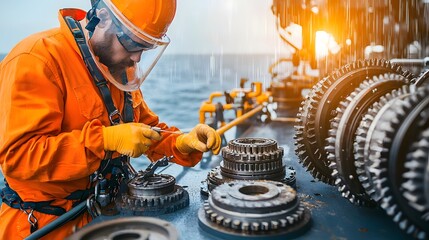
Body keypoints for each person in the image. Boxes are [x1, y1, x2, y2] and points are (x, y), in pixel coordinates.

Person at [0, 0, 221, 239]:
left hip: (107, 214)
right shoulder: (37, 58)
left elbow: (144, 130)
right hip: (48, 226)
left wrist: (180, 143)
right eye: (133, 43)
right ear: (102, 17)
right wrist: (104, 141)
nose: (136, 58)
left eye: (145, 48)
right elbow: (19, 156)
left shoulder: (117, 65)